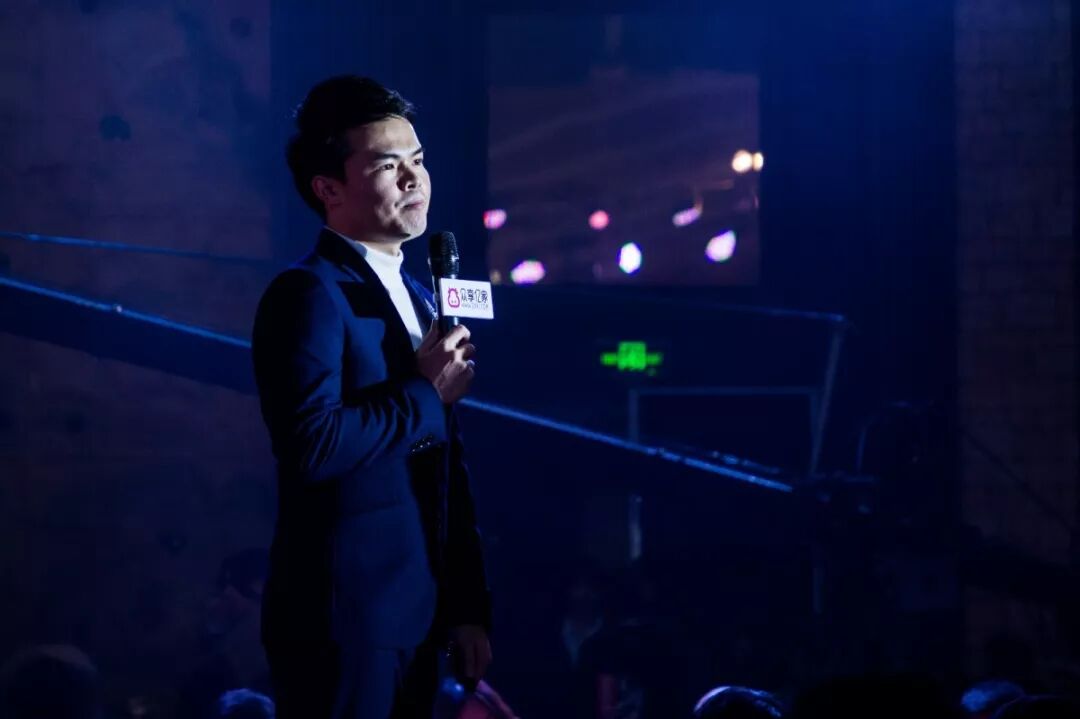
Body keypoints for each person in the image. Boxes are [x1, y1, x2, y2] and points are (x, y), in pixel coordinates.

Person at [252, 75, 492, 719]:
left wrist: (467, 604)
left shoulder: (420, 295)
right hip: (345, 618)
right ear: (328, 189)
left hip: (421, 612)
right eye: (388, 166)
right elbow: (312, 445)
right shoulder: (307, 294)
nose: (415, 179)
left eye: (419, 159)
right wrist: (424, 392)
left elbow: (445, 463)